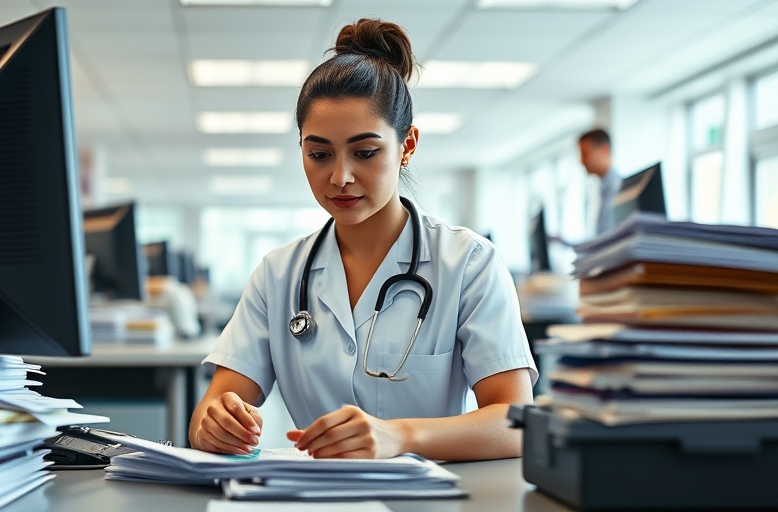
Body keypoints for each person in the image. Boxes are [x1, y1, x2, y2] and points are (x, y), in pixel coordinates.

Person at [188, 18, 537, 462]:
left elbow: (516, 421)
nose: (340, 177)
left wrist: (402, 436)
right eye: (318, 154)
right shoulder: (279, 275)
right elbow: (211, 410)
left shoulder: (467, 263)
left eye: (365, 152)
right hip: (312, 498)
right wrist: (214, 424)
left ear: (407, 145)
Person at [578, 128, 622, 236]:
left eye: (585, 154)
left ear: (604, 150)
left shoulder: (619, 187)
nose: (581, 161)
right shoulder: (601, 189)